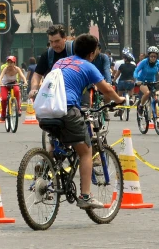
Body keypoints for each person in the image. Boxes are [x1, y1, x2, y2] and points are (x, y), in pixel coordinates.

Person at [42, 34, 125, 208]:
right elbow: (107, 89)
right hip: (68, 110)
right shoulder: (87, 66)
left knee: (58, 142)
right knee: (86, 152)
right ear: (93, 53)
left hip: (46, 111)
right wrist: (119, 100)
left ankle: (45, 170)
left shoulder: (60, 62)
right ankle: (85, 197)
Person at [29, 25, 73, 97]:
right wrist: (33, 89)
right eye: (51, 42)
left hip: (75, 93)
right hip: (54, 95)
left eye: (57, 41)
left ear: (64, 38)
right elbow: (37, 75)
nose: (54, 45)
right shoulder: (47, 55)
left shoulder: (74, 50)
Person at [133, 46, 159, 111]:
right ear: (148, 56)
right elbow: (136, 71)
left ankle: (157, 117)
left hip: (152, 81)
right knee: (147, 93)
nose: (153, 58)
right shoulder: (144, 62)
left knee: (155, 98)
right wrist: (137, 79)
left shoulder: (158, 63)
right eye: (151, 56)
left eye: (155, 56)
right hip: (142, 81)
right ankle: (141, 106)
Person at [0, 56, 27, 120]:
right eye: (8, 62)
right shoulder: (5, 69)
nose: (10, 64)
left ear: (14, 63)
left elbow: (22, 76)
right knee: (4, 98)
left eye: (11, 62)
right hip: (5, 85)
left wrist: (25, 82)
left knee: (17, 92)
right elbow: (1, 76)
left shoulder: (17, 69)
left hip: (13, 83)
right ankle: (3, 114)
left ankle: (18, 109)